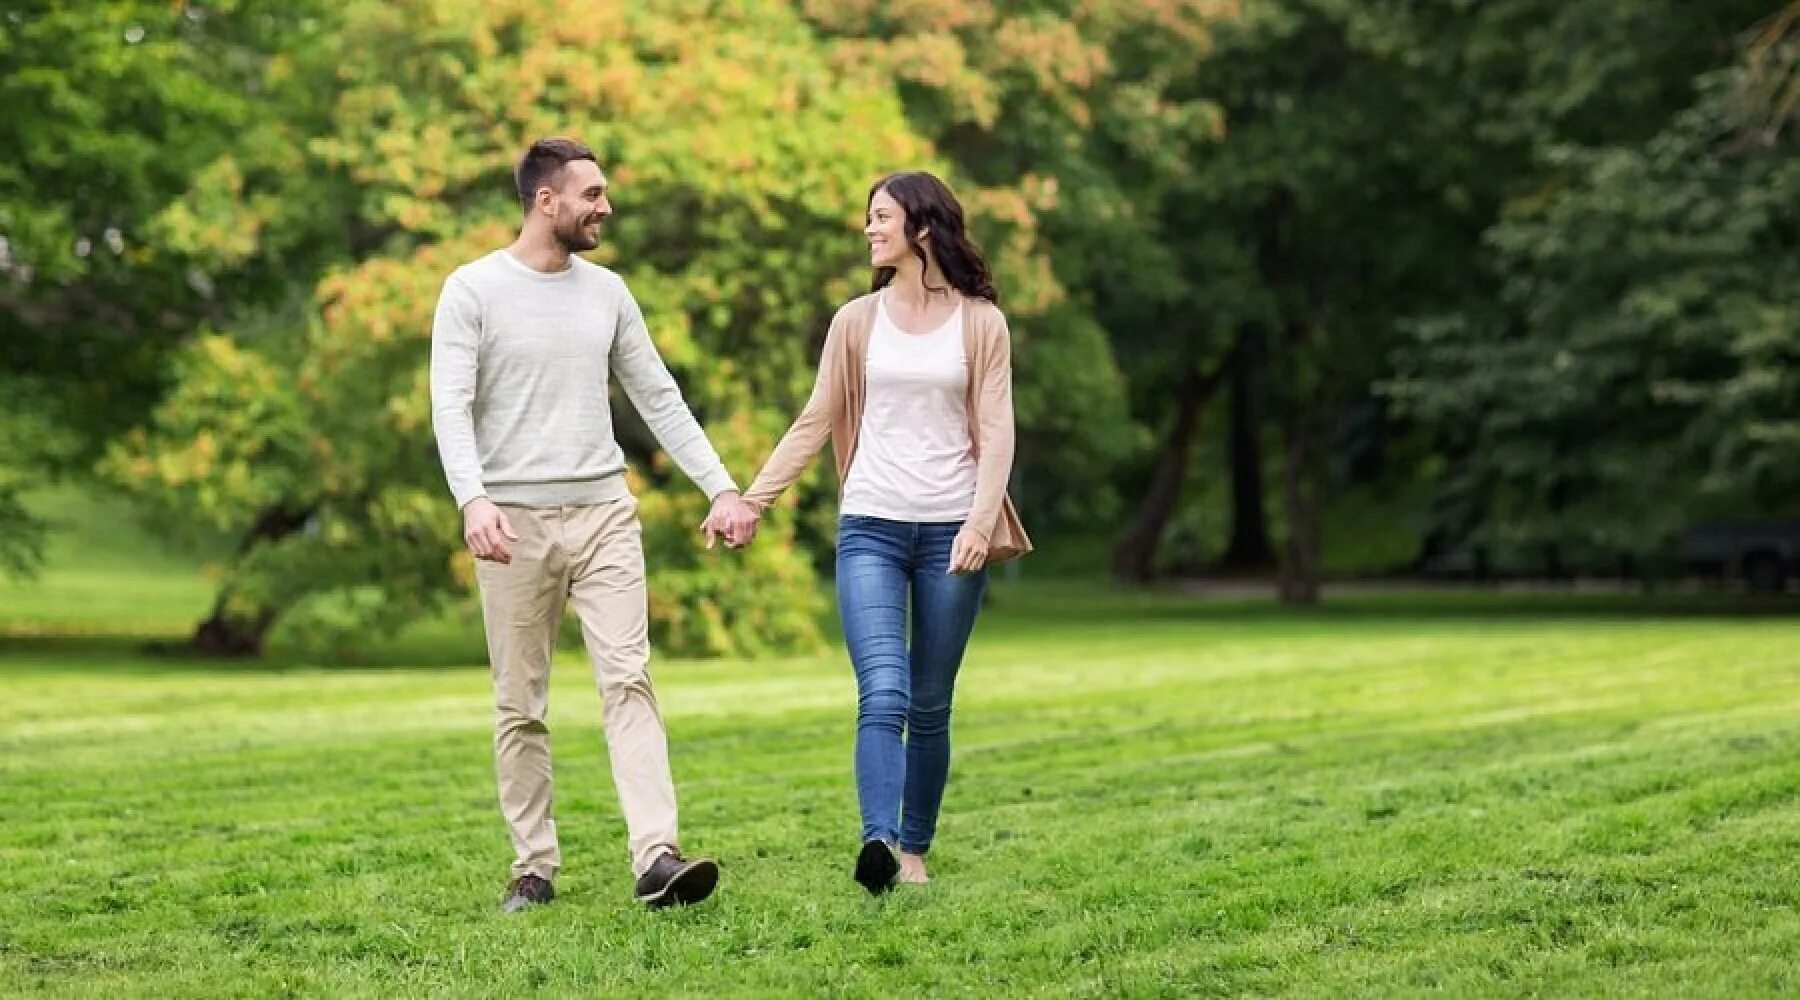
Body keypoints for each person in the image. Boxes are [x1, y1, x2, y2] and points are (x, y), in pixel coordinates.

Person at [430, 137, 757, 913]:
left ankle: (657, 857)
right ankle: (533, 868)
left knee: (629, 680)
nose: (604, 207)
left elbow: (659, 397)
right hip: (513, 522)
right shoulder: (471, 290)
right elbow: (449, 403)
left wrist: (722, 487)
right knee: (521, 702)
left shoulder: (608, 292)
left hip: (606, 512)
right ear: (547, 201)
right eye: (592, 194)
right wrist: (472, 500)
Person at [715, 170, 1031, 894]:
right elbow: (816, 417)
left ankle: (915, 846)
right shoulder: (855, 321)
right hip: (872, 527)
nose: (869, 228)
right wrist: (753, 500)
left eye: (881, 217)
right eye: (869, 217)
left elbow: (998, 428)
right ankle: (879, 844)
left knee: (930, 701)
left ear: (922, 227)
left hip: (954, 530)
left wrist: (982, 523)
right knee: (882, 691)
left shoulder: (981, 321)